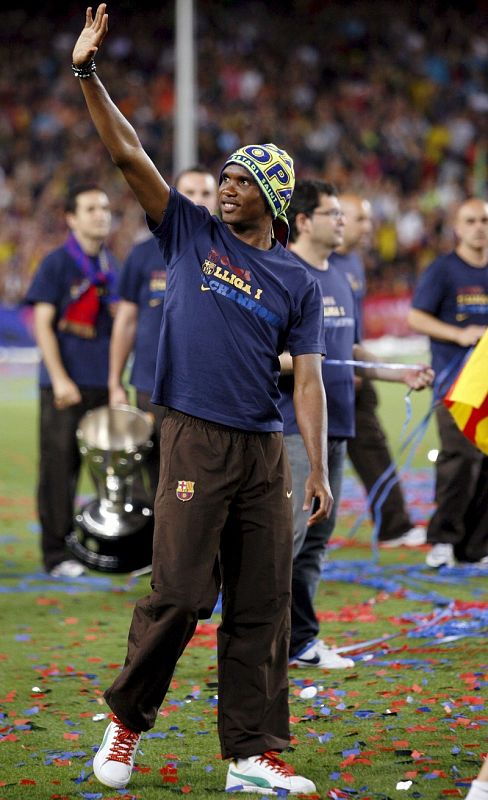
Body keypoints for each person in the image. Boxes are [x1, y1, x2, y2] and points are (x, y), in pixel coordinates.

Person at [72, 5, 333, 795]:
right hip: (192, 435)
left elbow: (311, 379)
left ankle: (251, 754)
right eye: (223, 177)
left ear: (275, 199)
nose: (225, 186)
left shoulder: (300, 280)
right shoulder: (186, 230)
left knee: (263, 605)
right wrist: (87, 73)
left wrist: (316, 470)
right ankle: (125, 724)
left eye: (243, 180)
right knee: (182, 595)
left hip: (261, 448)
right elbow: (127, 151)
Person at [278, 180, 434, 670]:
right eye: (332, 213)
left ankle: (299, 641)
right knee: (290, 539)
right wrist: (306, 361)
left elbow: (349, 350)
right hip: (292, 428)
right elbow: (263, 354)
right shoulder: (282, 272)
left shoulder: (342, 274)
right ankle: (265, 642)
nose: (341, 221)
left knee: (317, 540)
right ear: (303, 221)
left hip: (338, 423)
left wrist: (395, 373)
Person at [24, 182, 119, 578]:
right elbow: (42, 324)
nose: (101, 215)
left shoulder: (111, 265)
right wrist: (60, 378)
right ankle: (56, 554)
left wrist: (116, 382)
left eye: (105, 208)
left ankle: (105, 545)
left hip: (101, 382)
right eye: (91, 208)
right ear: (71, 218)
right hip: (64, 386)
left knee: (110, 471)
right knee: (59, 470)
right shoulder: (57, 263)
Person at [108, 166, 217, 502]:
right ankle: (151, 553)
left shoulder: (230, 253)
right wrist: (114, 383)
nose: (197, 201)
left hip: (206, 388)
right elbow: (126, 320)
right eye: (189, 193)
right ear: (173, 198)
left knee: (202, 480)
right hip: (149, 385)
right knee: (151, 478)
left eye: (205, 194)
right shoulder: (142, 254)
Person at [330, 193, 427, 548]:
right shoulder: (318, 263)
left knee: (372, 447)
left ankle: (394, 525)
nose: (368, 227)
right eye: (361, 219)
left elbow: (352, 323)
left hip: (357, 372)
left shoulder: (353, 262)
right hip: (328, 375)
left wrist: (363, 363)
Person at [408, 197, 488, 567]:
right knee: (460, 460)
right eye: (470, 220)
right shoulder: (443, 270)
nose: (479, 227)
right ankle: (443, 537)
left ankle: (476, 547)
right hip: (454, 386)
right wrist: (458, 335)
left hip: (485, 388)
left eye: (484, 220)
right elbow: (416, 318)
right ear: (457, 227)